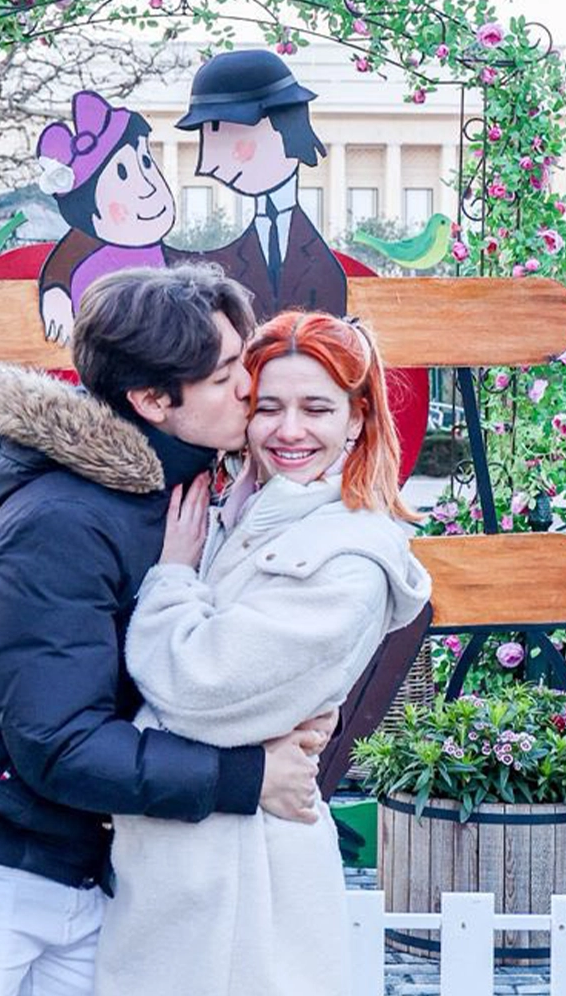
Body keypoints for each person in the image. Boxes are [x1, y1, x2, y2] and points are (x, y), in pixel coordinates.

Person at [0, 267, 327, 996]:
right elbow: (59, 742)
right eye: (224, 378)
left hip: (89, 865)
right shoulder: (63, 522)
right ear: (152, 400)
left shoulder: (182, 493)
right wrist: (247, 778)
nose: (248, 389)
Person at [94, 310, 433, 996]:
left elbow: (199, 688)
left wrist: (172, 576)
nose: (288, 430)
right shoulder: (245, 512)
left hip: (245, 882)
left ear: (358, 418)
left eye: (317, 409)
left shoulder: (349, 558)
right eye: (268, 407)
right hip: (184, 867)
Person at [174, 48, 349, 319]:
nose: (209, 164)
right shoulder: (223, 256)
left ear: (283, 125)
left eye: (228, 137)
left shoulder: (323, 265)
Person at [35, 90, 177, 343]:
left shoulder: (168, 260)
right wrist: (55, 292)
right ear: (89, 212)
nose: (148, 187)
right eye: (122, 174)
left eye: (146, 163)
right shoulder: (85, 257)